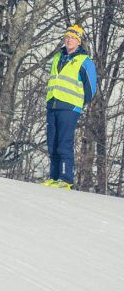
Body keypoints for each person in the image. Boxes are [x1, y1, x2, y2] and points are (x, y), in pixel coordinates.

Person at [42, 24, 97, 189]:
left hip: (69, 107)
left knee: (64, 143)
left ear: (78, 41)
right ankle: (54, 176)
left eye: (72, 37)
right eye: (67, 37)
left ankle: (65, 179)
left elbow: (91, 89)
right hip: (53, 104)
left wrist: (78, 103)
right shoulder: (58, 57)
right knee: (52, 142)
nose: (68, 40)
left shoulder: (84, 61)